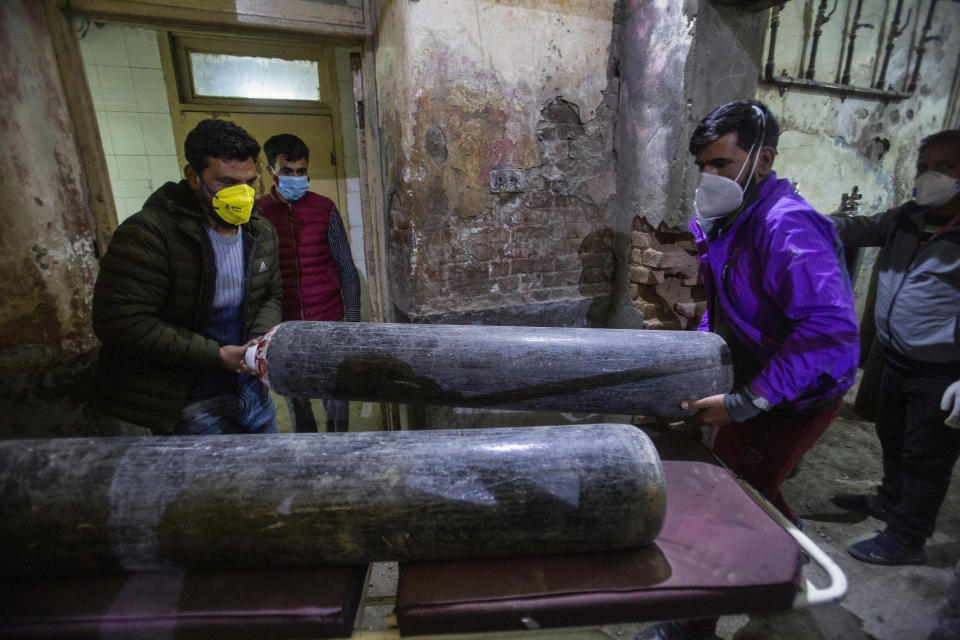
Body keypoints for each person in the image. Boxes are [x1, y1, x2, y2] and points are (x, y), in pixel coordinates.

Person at [637, 100, 860, 640]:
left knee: (723, 503)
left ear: (762, 160)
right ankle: (785, 546)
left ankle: (690, 625)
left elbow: (828, 333)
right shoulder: (730, 221)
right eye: (703, 166)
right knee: (748, 485)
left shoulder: (789, 227)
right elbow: (727, 307)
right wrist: (697, 364)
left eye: (720, 163)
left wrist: (746, 401)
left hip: (795, 394)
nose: (708, 176)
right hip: (758, 379)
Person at [92, 118, 282, 436]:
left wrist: (258, 341)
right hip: (187, 402)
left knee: (267, 479)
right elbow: (120, 321)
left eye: (249, 182)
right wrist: (216, 355)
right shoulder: (149, 234)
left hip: (251, 394)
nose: (243, 195)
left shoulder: (259, 231)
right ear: (193, 176)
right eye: (227, 183)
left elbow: (270, 295)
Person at [830, 129, 960, 566]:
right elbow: (861, 228)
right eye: (925, 166)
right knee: (891, 434)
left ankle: (906, 538)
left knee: (927, 458)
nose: (931, 175)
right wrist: (804, 219)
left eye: (946, 166)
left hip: (941, 371)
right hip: (895, 357)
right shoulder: (906, 217)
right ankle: (889, 498)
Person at [257, 134, 361, 432]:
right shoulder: (259, 214)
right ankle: (310, 453)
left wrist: (351, 325)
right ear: (271, 171)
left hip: (328, 322)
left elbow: (346, 269)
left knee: (337, 396)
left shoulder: (325, 209)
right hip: (283, 328)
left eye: (300, 172)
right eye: (287, 171)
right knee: (296, 399)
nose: (295, 178)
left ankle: (338, 451)